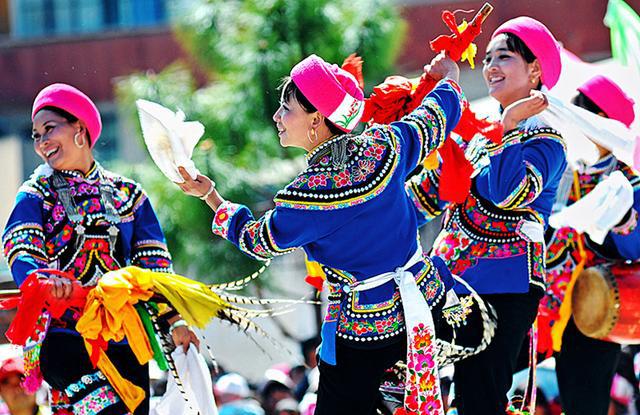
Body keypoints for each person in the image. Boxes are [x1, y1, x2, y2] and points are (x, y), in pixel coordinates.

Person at [176, 52, 465, 414]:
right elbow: (436, 117)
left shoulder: (309, 194)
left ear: (316, 119)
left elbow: (257, 239)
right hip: (422, 310)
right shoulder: (386, 146)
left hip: (364, 331)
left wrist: (211, 196)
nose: (277, 116)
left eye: (286, 108)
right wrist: (450, 76)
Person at [2, 83, 197, 414]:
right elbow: (21, 247)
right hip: (64, 335)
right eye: (35, 135)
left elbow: (155, 266)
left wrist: (174, 320)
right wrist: (47, 283)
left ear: (80, 127)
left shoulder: (128, 195)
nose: (42, 141)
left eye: (50, 129)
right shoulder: (36, 194)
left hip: (125, 339)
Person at [407, 17, 567, 414]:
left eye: (505, 57)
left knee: (480, 400)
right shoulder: (478, 134)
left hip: (504, 287)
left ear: (535, 70)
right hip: (452, 285)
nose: (491, 66)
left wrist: (509, 125)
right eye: (489, 57)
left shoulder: (544, 138)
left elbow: (509, 193)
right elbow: (427, 197)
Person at [537, 75, 640, 415]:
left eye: (584, 113)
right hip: (546, 304)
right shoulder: (564, 162)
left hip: (594, 307)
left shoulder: (628, 178)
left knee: (584, 404)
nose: (576, 122)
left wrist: (621, 221)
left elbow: (630, 246)